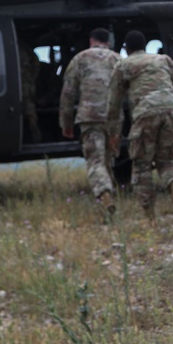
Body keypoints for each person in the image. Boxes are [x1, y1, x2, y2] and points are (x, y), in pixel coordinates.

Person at [107, 30, 173, 223]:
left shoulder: (122, 65)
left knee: (141, 164)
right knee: (165, 160)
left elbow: (114, 104)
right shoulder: (163, 60)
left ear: (126, 49)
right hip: (172, 111)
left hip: (146, 113)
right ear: (145, 46)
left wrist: (113, 134)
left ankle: (150, 217)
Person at [59, 28, 121, 219]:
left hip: (89, 116)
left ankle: (105, 197)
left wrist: (66, 122)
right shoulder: (117, 59)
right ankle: (110, 193)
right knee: (109, 158)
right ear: (108, 43)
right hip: (113, 117)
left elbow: (68, 93)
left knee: (96, 160)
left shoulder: (80, 59)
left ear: (90, 41)